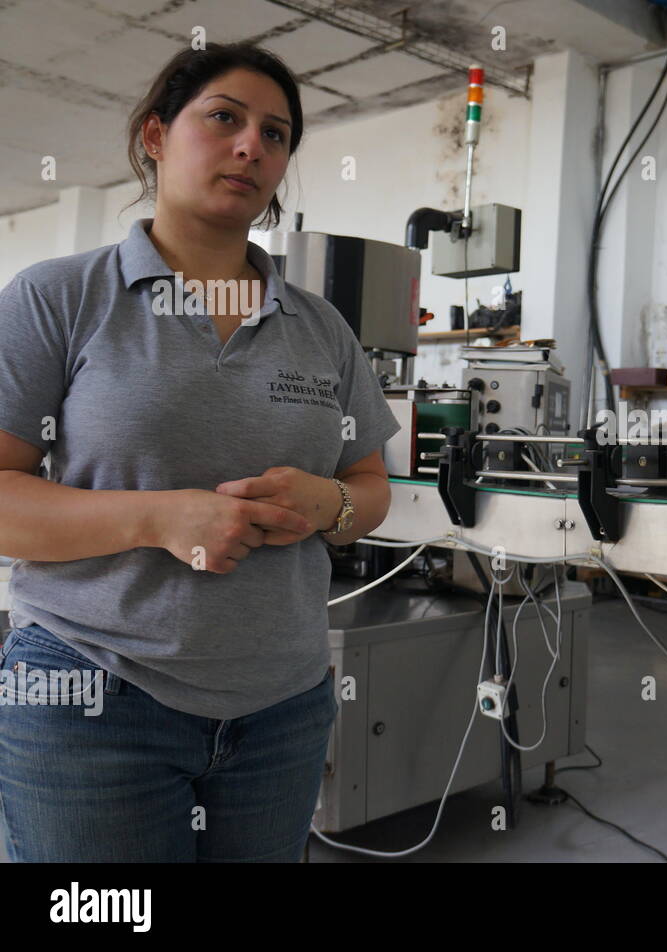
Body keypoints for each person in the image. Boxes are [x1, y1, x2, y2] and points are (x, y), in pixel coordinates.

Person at [0, 42, 401, 861]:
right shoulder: (60, 298)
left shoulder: (322, 328)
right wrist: (159, 517)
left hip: (283, 705)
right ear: (156, 136)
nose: (253, 146)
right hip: (91, 691)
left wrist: (332, 505)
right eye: (224, 118)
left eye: (277, 134)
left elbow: (369, 485)